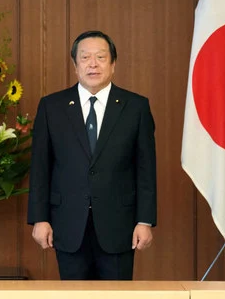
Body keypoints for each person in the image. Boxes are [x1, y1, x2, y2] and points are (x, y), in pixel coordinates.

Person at [27, 30, 157, 280]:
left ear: (113, 64)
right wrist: (39, 218)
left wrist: (145, 220)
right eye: (85, 57)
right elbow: (40, 167)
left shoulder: (136, 107)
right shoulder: (51, 107)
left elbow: (146, 169)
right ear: (75, 65)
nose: (93, 64)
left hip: (119, 225)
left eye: (100, 57)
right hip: (67, 224)